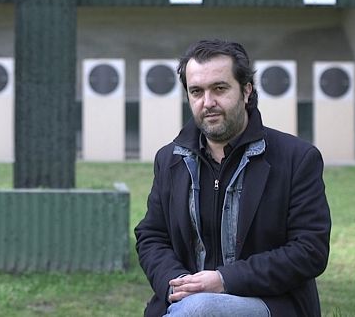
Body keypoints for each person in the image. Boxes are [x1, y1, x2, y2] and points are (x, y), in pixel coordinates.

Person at [135, 39, 331, 317]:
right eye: (196, 91)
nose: (208, 102)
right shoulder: (170, 159)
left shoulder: (297, 158)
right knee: (196, 307)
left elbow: (309, 250)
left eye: (219, 88)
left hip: (271, 304)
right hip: (184, 303)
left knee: (200, 309)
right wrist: (179, 285)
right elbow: (152, 236)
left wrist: (224, 280)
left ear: (246, 91)